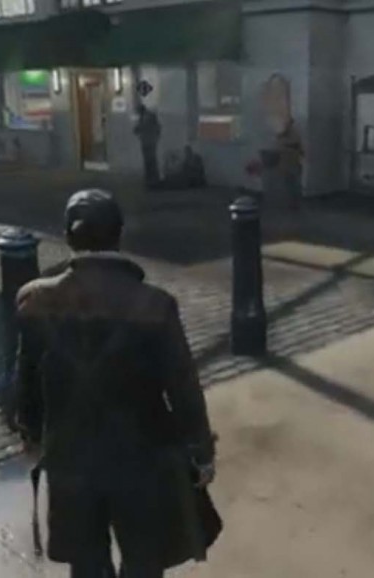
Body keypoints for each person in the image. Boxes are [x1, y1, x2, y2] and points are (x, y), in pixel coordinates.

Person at [13, 189, 221, 578]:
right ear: (119, 235)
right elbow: (183, 388)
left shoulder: (34, 300)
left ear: (68, 236)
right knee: (144, 560)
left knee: (86, 563)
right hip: (141, 458)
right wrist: (201, 453)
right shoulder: (155, 304)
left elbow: (26, 381)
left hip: (71, 456)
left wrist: (32, 436)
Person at [276, 116, 304, 210]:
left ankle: (295, 203)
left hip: (293, 162)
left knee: (294, 184)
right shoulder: (282, 135)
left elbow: (297, 147)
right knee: (287, 183)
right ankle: (290, 203)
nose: (286, 125)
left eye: (288, 124)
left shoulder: (294, 134)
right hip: (286, 163)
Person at [134, 104, 162, 188]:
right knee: (151, 160)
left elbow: (140, 128)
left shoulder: (146, 117)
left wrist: (137, 130)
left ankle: (151, 180)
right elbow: (158, 128)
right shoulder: (148, 116)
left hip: (148, 141)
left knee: (149, 161)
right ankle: (153, 179)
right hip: (150, 141)